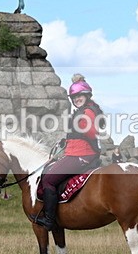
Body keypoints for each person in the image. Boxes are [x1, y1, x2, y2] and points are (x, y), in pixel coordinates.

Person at [35, 74, 104, 231]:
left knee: (48, 181)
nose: (77, 98)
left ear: (86, 96)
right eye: (74, 96)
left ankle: (49, 220)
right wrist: (65, 141)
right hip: (76, 152)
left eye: (80, 95)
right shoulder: (83, 111)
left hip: (81, 155)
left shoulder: (88, 111)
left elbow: (92, 132)